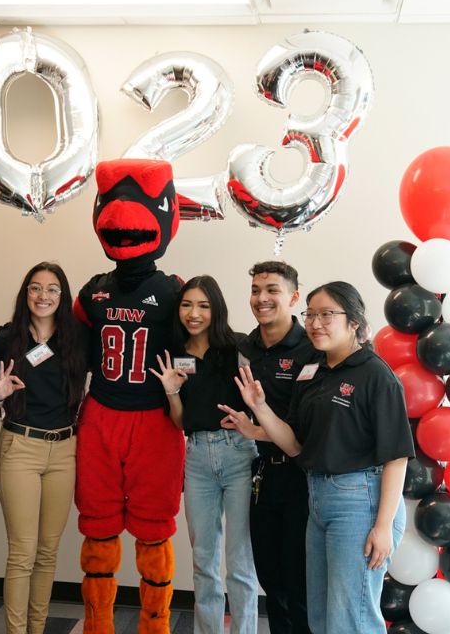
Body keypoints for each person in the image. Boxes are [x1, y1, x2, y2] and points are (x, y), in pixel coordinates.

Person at [221, 281, 415, 634]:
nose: (314, 323)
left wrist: (383, 527)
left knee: (351, 618)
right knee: (321, 616)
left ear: (354, 322)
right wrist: (260, 409)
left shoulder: (375, 375)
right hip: (318, 499)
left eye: (327, 314)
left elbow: (397, 457)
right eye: (310, 314)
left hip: (361, 501)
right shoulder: (314, 372)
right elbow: (295, 445)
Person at [72, 159, 184, 634]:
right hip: (100, 413)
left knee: (154, 526)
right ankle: (98, 624)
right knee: (97, 523)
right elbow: (65, 351)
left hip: (155, 420)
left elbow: (196, 348)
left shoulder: (177, 291)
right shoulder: (93, 291)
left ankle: (153, 626)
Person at [148, 276, 257, 634]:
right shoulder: (175, 355)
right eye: (187, 305)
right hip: (196, 459)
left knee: (240, 563)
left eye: (203, 306)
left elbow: (259, 400)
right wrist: (171, 392)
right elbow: (180, 422)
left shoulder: (238, 348)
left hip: (238, 455)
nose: (194, 314)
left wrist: (250, 421)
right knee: (203, 560)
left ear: (216, 309)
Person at [0, 262, 87, 634]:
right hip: (20, 447)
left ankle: (38, 629)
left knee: (47, 553)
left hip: (64, 450)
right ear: (25, 293)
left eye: (52, 289)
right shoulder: (5, 339)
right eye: (35, 288)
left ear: (63, 296)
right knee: (22, 554)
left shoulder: (77, 338)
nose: (43, 296)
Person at [237, 261, 318, 634]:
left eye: (272, 290)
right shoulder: (245, 346)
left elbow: (306, 432)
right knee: (269, 577)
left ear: (293, 297)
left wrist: (257, 429)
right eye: (256, 290)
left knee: (297, 580)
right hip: (261, 474)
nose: (262, 298)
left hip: (301, 480)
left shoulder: (311, 350)